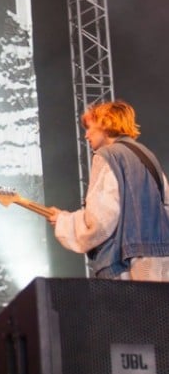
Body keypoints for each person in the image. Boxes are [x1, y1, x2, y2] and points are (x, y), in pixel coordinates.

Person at [48, 100, 169, 281]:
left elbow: (102, 219)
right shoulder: (147, 155)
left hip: (128, 263)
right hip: (161, 258)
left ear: (105, 123)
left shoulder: (108, 156)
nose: (86, 136)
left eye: (89, 128)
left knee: (130, 309)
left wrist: (65, 222)